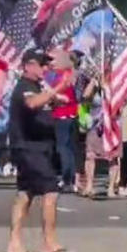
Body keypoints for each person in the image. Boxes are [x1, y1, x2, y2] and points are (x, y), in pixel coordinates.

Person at [6, 48, 72, 252]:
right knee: (50, 191)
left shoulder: (37, 86)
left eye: (46, 64)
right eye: (41, 64)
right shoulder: (24, 87)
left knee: (25, 193)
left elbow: (45, 101)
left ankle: (15, 243)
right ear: (28, 66)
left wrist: (55, 98)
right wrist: (58, 89)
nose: (46, 68)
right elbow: (32, 103)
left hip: (41, 147)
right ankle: (49, 242)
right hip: (28, 147)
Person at [47, 49, 81, 194]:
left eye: (53, 60)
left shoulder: (63, 77)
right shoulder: (68, 75)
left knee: (63, 149)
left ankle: (67, 179)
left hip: (63, 116)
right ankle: (70, 179)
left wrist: (50, 96)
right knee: (69, 149)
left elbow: (57, 96)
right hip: (70, 115)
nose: (51, 64)